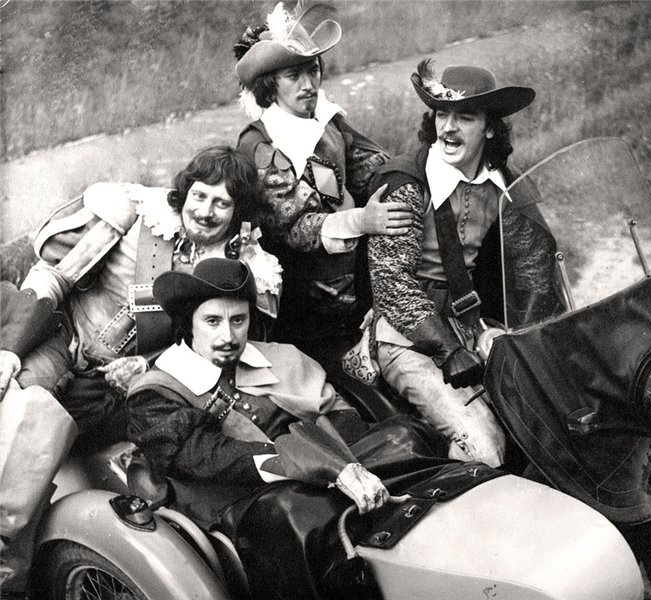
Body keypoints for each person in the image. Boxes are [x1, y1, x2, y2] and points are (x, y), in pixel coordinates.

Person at [0, 147, 280, 596]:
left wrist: (147, 365)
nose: (205, 211)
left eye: (222, 203)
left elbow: (222, 350)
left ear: (238, 212)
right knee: (24, 409)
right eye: (199, 195)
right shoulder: (137, 217)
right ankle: (6, 567)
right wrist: (12, 350)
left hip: (134, 384)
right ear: (184, 191)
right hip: (64, 341)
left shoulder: (241, 267)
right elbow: (53, 278)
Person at [126, 258, 453, 598]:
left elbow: (339, 414)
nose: (228, 336)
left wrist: (339, 462)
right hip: (234, 500)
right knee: (294, 510)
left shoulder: (279, 357)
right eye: (212, 321)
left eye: (238, 320)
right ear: (189, 324)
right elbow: (206, 458)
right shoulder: (157, 390)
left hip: (324, 467)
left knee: (407, 437)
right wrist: (314, 464)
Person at [367, 60, 563, 468]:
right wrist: (448, 349)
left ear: (490, 128)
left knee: (554, 416)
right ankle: (445, 499)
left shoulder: (504, 184)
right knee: (485, 448)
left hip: (472, 326)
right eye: (442, 114)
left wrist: (522, 337)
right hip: (406, 337)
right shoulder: (406, 183)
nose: (449, 128)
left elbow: (535, 267)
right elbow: (392, 283)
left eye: (465, 117)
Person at [232, 2, 413, 383]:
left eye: (312, 70)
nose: (308, 84)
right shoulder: (261, 144)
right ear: (269, 84)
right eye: (293, 75)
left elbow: (377, 169)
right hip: (301, 314)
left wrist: (417, 176)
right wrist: (361, 219)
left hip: (356, 294)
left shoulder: (329, 124)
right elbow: (295, 228)